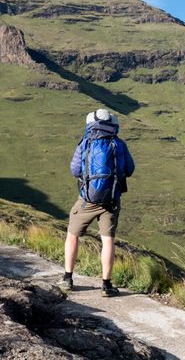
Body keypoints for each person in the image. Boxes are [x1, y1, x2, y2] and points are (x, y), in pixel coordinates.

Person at [57, 108, 135, 297]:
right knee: (108, 240)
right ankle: (106, 285)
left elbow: (75, 170)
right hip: (111, 200)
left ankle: (67, 278)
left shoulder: (85, 143)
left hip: (87, 200)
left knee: (72, 235)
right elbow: (130, 169)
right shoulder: (119, 144)